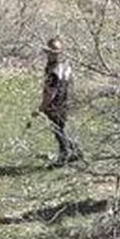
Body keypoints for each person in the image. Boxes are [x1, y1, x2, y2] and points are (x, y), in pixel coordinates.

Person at [33, 37, 81, 165]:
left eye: (52, 53)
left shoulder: (53, 70)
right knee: (61, 128)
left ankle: (64, 155)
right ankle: (75, 150)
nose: (50, 55)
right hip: (65, 101)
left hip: (56, 104)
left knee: (58, 130)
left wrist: (41, 108)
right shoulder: (66, 65)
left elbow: (51, 93)